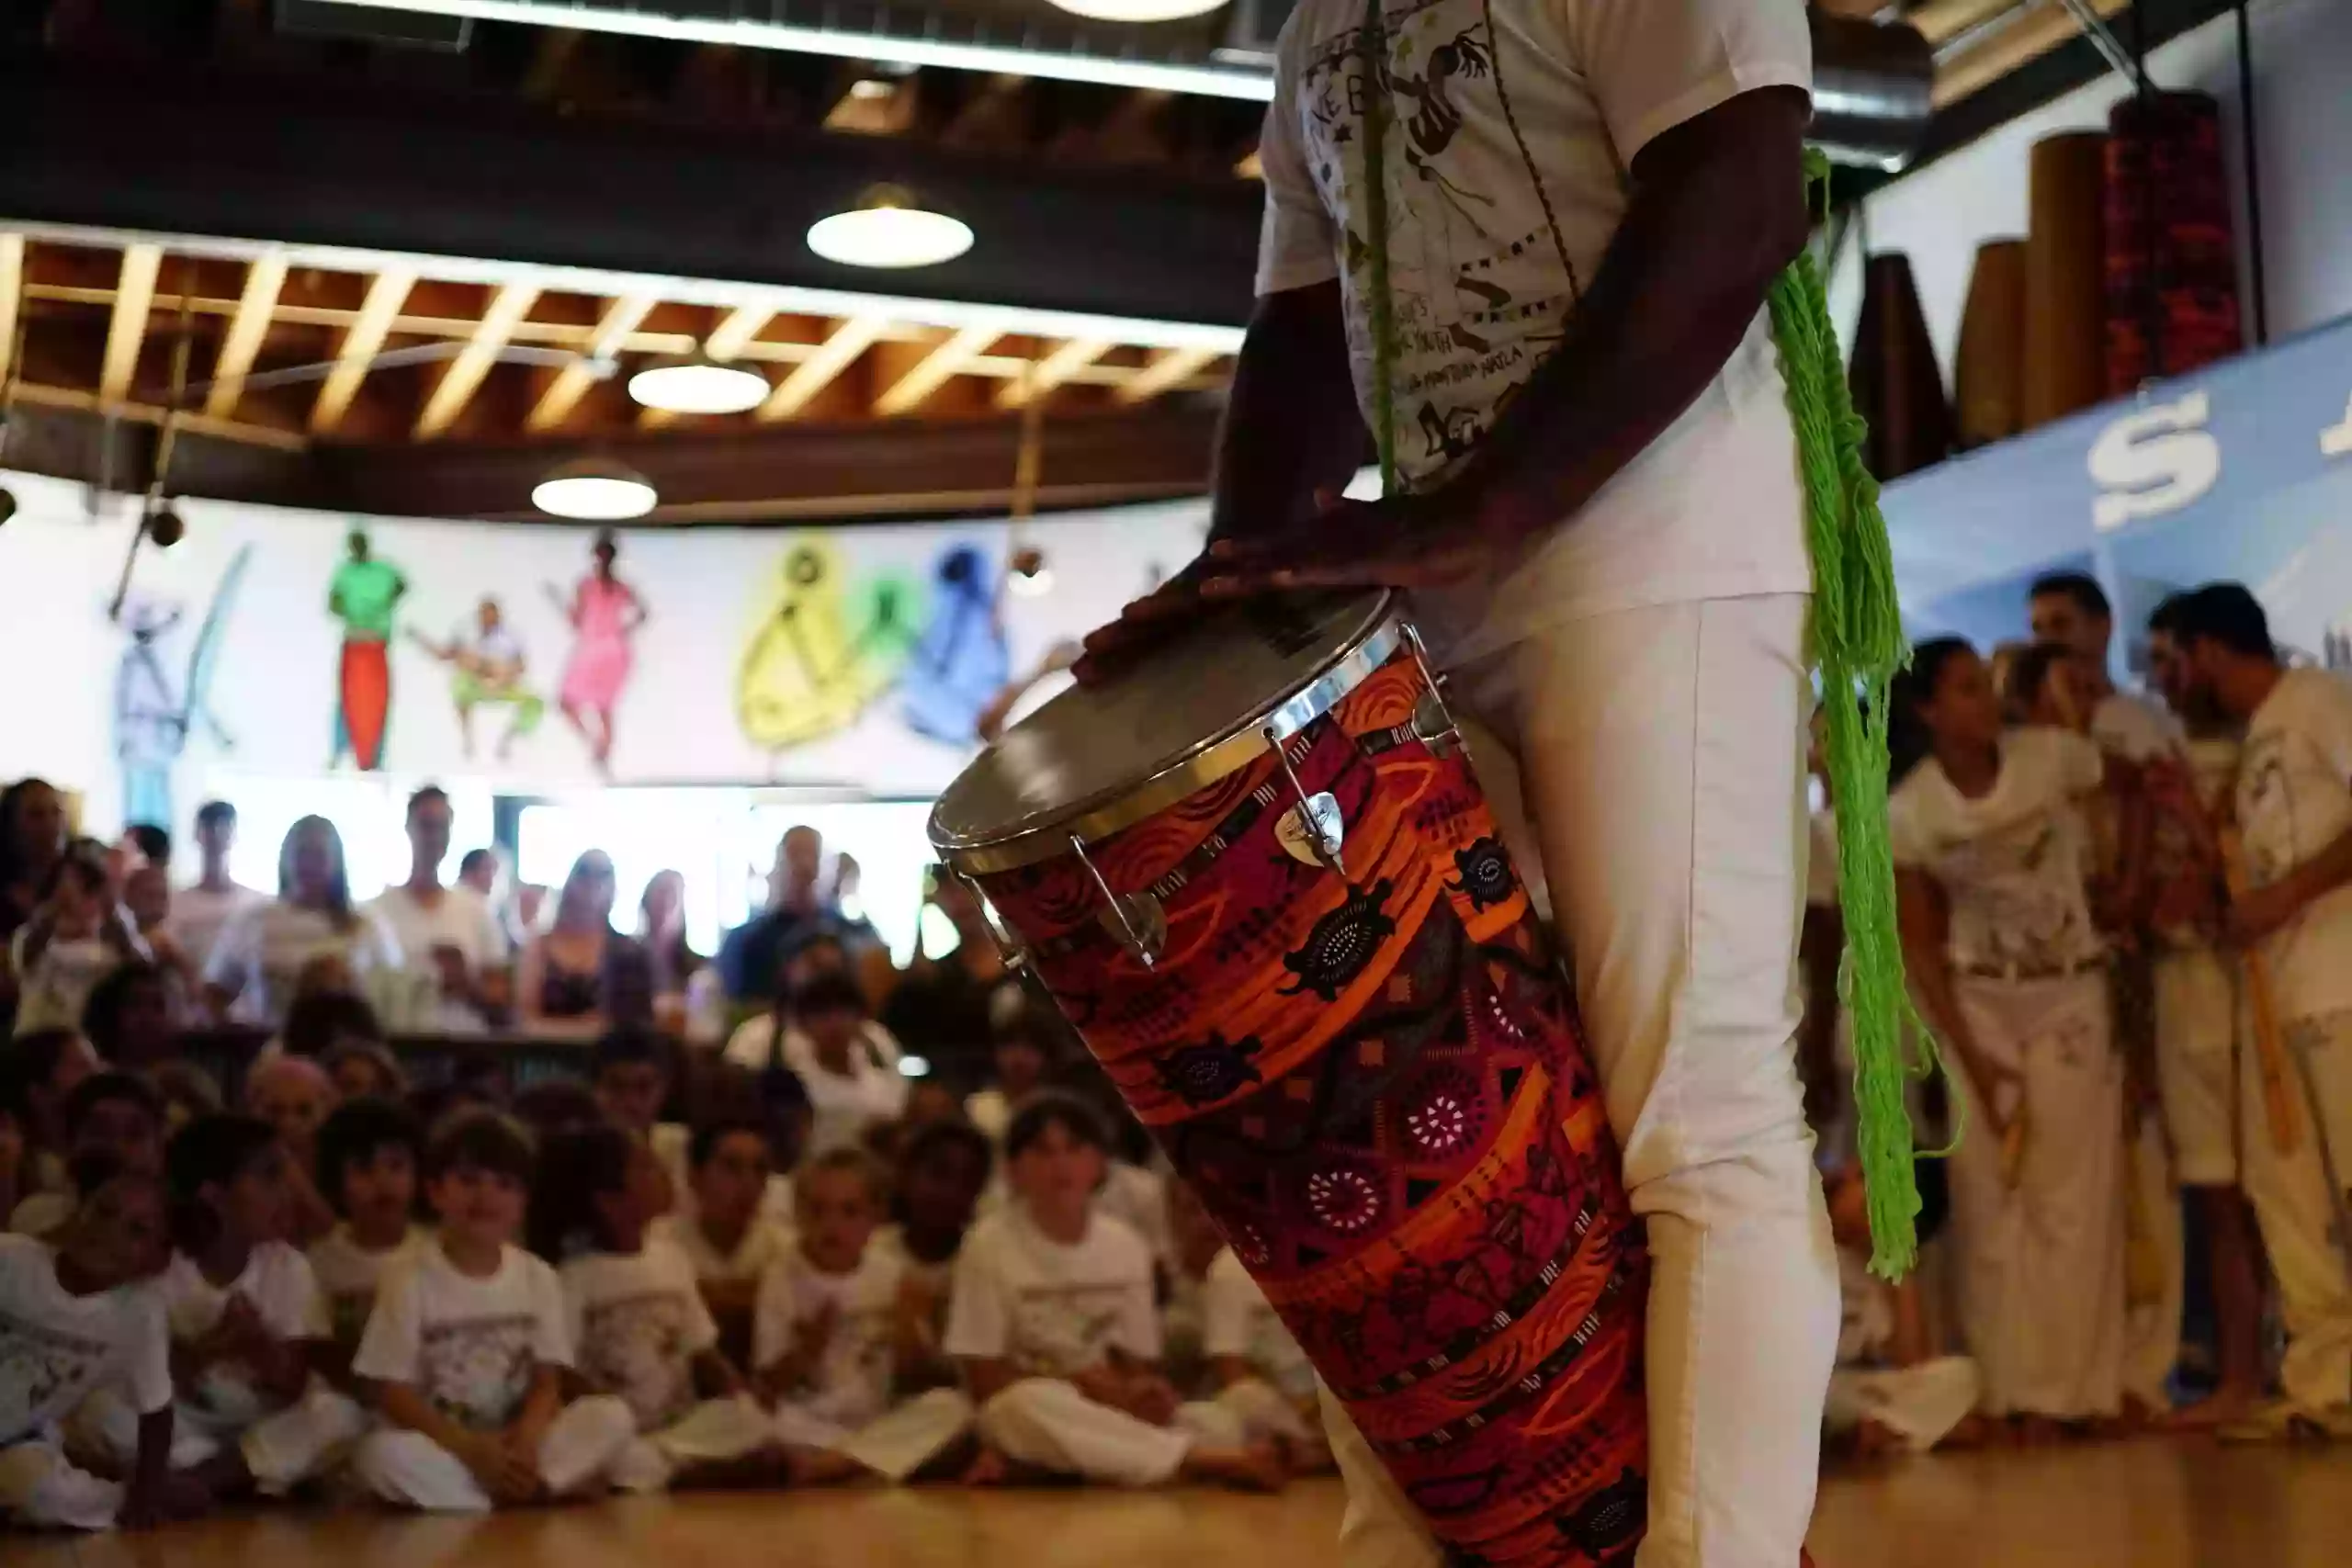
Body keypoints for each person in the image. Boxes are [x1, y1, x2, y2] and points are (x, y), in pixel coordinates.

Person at [1073, 0, 1901, 1554]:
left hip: (1658, 546)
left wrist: (1486, 507)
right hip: (1439, 576)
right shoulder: (1323, 17)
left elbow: (1740, 189)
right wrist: (1240, 584)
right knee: (1393, 1095)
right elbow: (1308, 320)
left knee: (1696, 1100)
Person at [1889, 638, 2128, 1438]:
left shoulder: (2053, 758)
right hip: (1978, 1003)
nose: (1983, 703)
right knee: (1990, 1201)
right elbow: (1920, 944)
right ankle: (2006, 1392)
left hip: (2068, 988)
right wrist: (1971, 1054)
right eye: (1962, 690)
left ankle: (2075, 1394)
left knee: (2071, 1192)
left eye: (1984, 687)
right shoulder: (1912, 811)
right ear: (1928, 710)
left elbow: (2116, 803)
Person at [2166, 583, 2352, 1438]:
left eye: (2176, 656)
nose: (2170, 676)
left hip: (2340, 981)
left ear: (2208, 649)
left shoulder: (2315, 699)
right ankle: (2326, 1385)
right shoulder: (2250, 745)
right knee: (2291, 1199)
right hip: (2277, 999)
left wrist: (2282, 900)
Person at [945, 1093, 1281, 1490]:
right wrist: (1078, 1385)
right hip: (1041, 1403)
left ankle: (1061, 1466)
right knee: (1020, 1408)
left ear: (1099, 1163)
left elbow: (1138, 1365)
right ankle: (1197, 1459)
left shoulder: (1125, 1245)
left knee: (1223, 1419)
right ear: (1014, 1169)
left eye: (1074, 1149)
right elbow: (984, 1381)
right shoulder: (987, 1245)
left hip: (1112, 1412)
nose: (1060, 1165)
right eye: (1042, 1152)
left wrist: (1143, 1392)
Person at [348, 1109, 639, 1511]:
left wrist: (527, 1441)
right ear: (435, 1191)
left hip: (515, 1443)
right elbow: (390, 1392)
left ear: (522, 1202)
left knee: (611, 1415)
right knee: (377, 1454)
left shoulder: (538, 1277)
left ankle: (521, 1483)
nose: (485, 1196)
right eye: (468, 1181)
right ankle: (503, 1495)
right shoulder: (407, 1277)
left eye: (504, 1185)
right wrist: (467, 1447)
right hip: (447, 1446)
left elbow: (546, 1383)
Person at [74, 1114, 365, 1500]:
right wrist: (213, 1346)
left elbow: (295, 1382)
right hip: (184, 1422)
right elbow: (147, 1380)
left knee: (338, 1415)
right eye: (269, 1178)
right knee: (98, 1411)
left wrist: (258, 1344)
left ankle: (197, 1479)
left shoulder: (288, 1266)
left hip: (262, 1421)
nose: (286, 1193)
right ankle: (236, 1474)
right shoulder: (160, 1267)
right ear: (212, 1195)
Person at [2138, 596, 2267, 1428]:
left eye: (2174, 657)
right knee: (2219, 1196)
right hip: (2189, 991)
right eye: (2157, 662)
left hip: (2268, 979)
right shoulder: (2148, 762)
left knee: (2301, 1190)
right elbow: (2134, 893)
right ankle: (2242, 1376)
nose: (2165, 676)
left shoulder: (2272, 739)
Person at [534, 1125, 786, 1493]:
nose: (664, 1175)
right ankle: (673, 1471)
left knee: (749, 1423)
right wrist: (605, 1405)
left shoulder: (672, 1258)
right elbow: (563, 1373)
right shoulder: (574, 1276)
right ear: (609, 1199)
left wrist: (741, 1396)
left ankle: (667, 1468)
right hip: (622, 1427)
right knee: (611, 1429)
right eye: (647, 1168)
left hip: (678, 1426)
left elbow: (702, 1350)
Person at [753, 1146, 977, 1483]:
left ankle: (835, 1466)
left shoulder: (893, 1277)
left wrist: (911, 1344)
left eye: (849, 1212)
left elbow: (919, 1375)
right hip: (805, 1421)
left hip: (875, 1421)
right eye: (817, 1211)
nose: (832, 1225)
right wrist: (806, 1351)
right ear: (797, 1214)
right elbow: (766, 1386)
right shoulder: (781, 1277)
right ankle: (862, 1464)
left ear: (876, 1216)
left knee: (952, 1407)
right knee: (749, 1420)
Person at [0, 1170, 181, 1531]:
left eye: (137, 1230)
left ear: (158, 1260)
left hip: (16, 1440)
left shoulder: (140, 1312)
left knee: (43, 1494)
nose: (109, 1231)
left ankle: (121, 1496)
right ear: (77, 1211)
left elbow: (157, 1412)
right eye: (104, 1211)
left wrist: (147, 1494)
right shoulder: (11, 1259)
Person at [1163, 1177, 1330, 1470]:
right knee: (1229, 1406)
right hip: (1280, 1409)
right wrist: (1300, 1412)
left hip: (1334, 1403)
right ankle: (1314, 1452)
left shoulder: (1328, 1249)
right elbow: (1233, 1373)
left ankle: (1313, 1453)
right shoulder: (1229, 1268)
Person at [203, 818, 401, 1029]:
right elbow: (214, 992)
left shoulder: (366, 925)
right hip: (271, 1048)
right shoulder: (254, 921)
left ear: (336, 862)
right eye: (302, 853)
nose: (309, 864)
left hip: (344, 1050)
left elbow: (393, 996)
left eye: (319, 855)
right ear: (285, 858)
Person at [655, 1117, 794, 1371]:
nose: (749, 1183)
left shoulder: (786, 1245)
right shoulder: (659, 1242)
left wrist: (701, 1295)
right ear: (694, 1176)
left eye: (760, 1169)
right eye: (732, 1167)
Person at [369, 786, 511, 1032]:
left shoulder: (476, 910)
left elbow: (503, 1003)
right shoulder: (377, 913)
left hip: (465, 1051)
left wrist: (465, 983)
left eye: (441, 826)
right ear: (409, 828)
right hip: (399, 1045)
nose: (433, 836)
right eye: (426, 825)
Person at [872, 1117, 993, 1394]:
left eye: (967, 1181)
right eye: (939, 1174)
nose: (951, 1192)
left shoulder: (984, 1261)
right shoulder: (872, 1251)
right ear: (905, 1177)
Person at [728, 973, 908, 1156]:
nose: (835, 1024)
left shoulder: (879, 1069)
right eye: (822, 1014)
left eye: (844, 1012)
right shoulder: (796, 1083)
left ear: (860, 1019)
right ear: (803, 1024)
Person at [309, 1097, 427, 1359]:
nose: (382, 1181)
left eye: (396, 1166)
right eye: (363, 1169)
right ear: (336, 1180)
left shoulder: (439, 1250)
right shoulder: (318, 1258)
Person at [7, 840, 150, 1036]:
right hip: (39, 1039)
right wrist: (55, 908)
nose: (80, 896)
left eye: (89, 888)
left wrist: (112, 913)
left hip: (100, 1039)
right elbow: (26, 959)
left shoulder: (117, 937)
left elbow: (143, 971)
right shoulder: (33, 934)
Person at [8, 1069, 167, 1240]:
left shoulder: (174, 1235)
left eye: (134, 1133)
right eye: (99, 1130)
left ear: (159, 1151)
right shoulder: (35, 1217)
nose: (115, 1146)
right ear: (71, 1143)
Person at [516, 851, 650, 1039]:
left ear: (613, 887)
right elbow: (525, 1022)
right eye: (584, 872)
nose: (592, 882)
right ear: (570, 881)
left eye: (603, 874)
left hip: (608, 1063)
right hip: (545, 1057)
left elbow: (631, 1024)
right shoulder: (539, 947)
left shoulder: (627, 951)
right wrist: (585, 1028)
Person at [408, 595, 546, 761]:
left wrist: (501, 677)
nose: (488, 618)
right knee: (460, 681)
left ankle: (509, 740)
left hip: (503, 683)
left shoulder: (511, 636)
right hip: (475, 683)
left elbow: (521, 666)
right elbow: (443, 654)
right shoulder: (466, 633)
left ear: (499, 615)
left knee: (535, 701)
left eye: (492, 614)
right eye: (484, 614)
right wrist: (419, 639)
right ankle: (467, 739)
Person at [717, 827, 834, 1003]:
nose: (804, 865)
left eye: (812, 855)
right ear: (777, 865)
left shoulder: (843, 935)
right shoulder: (745, 941)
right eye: (794, 855)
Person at [164, 803, 261, 980]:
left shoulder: (256, 903)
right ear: (197, 834)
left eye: (224, 826)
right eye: (209, 826)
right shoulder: (175, 902)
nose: (216, 833)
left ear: (234, 835)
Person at [965, 1007, 1053, 1145]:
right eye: (1010, 1046)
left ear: (1046, 1055)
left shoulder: (1058, 1109)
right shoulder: (977, 1107)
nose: (1019, 1058)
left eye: (1029, 1047)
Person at [82, 960, 176, 1073]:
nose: (146, 1017)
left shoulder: (184, 1079)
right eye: (134, 1005)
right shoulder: (95, 1076)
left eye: (158, 1006)